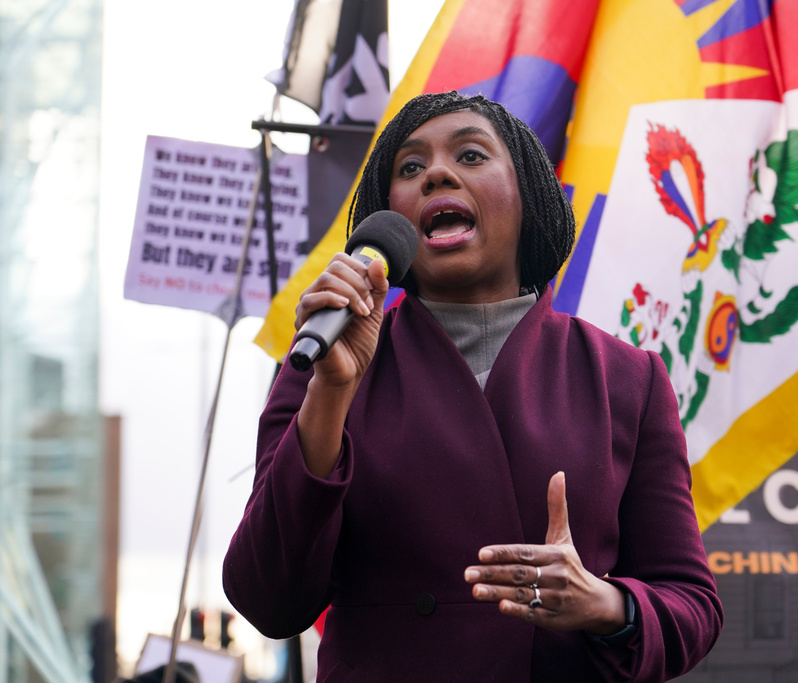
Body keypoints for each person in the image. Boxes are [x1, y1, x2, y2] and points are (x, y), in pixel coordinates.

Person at [223, 91, 722, 681]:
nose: (436, 173)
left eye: (471, 155)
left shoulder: (626, 378)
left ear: (526, 195)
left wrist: (603, 604)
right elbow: (267, 598)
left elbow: (693, 604)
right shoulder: (320, 360)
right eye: (410, 168)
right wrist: (331, 394)